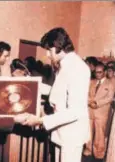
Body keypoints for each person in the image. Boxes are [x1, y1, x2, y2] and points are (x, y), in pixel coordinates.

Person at [22, 27, 91, 162]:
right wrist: (29, 83)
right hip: (62, 132)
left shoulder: (77, 68)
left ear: (58, 47)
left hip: (71, 135)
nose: (47, 55)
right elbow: (59, 92)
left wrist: (41, 120)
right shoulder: (66, 65)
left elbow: (75, 111)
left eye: (49, 50)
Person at [83, 62, 114, 162]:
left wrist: (97, 103)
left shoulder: (110, 83)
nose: (98, 74)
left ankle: (99, 154)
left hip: (101, 113)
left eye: (100, 72)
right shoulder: (91, 82)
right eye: (96, 72)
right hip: (90, 111)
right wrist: (90, 102)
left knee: (100, 135)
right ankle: (88, 150)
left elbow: (109, 98)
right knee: (88, 132)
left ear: (104, 72)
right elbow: (85, 94)